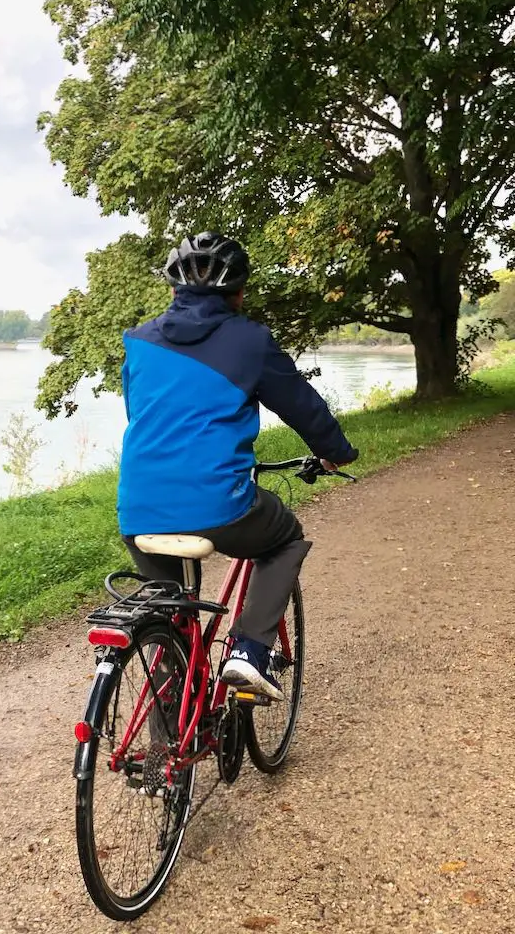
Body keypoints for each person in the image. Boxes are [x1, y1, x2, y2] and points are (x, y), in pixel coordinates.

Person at [117, 231, 358, 700]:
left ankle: (165, 760)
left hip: (138, 507)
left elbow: (139, 411)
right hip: (218, 506)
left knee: (171, 622)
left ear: (173, 291)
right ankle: (249, 651)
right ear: (240, 293)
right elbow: (303, 406)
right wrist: (336, 451)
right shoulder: (251, 341)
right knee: (286, 538)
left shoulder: (138, 341)